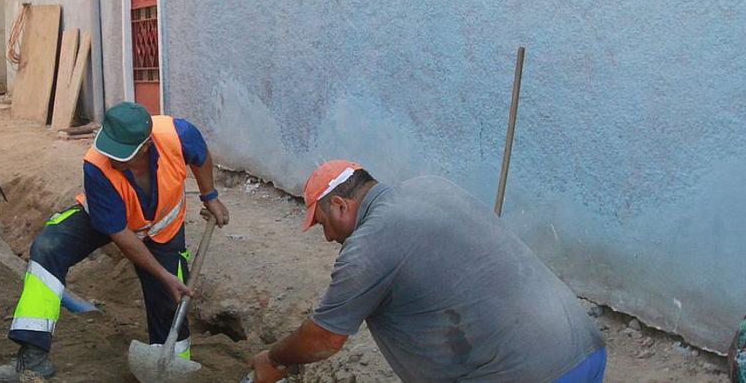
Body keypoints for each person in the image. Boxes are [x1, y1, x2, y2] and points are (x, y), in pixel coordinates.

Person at [249, 160, 606, 382]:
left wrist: (273, 359)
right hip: (584, 350)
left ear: (341, 205)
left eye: (323, 223)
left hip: (525, 372)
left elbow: (324, 339)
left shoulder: (369, 245)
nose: (327, 238)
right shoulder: (432, 186)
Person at [0, 102, 230, 382]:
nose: (110, 157)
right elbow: (122, 235)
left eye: (120, 155)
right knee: (49, 247)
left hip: (163, 228)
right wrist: (162, 274)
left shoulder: (179, 133)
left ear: (145, 146)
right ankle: (31, 359)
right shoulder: (97, 165)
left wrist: (210, 196)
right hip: (109, 219)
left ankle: (171, 365)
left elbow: (201, 157)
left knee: (171, 297)